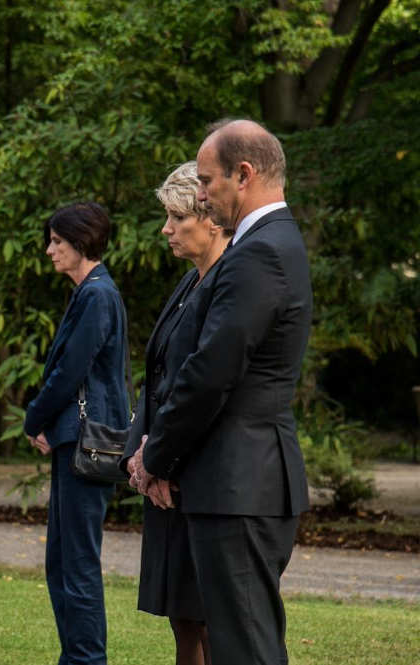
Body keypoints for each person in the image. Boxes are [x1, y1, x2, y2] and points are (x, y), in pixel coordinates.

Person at [130, 119, 312, 665]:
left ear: (245, 174)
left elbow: (211, 374)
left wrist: (156, 457)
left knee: (245, 649)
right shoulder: (270, 244)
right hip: (240, 481)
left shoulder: (258, 253)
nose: (203, 194)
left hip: (240, 484)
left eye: (208, 182)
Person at [121, 161, 227, 665]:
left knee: (206, 620)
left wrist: (162, 460)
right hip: (164, 476)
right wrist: (139, 454)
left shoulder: (224, 285)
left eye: (174, 217)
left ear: (209, 217)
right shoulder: (188, 284)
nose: (165, 229)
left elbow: (203, 390)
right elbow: (156, 378)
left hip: (194, 477)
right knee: (183, 618)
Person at [23, 202, 130, 665]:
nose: (50, 251)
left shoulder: (98, 295)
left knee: (78, 562)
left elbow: (70, 371)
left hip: (86, 444)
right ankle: (77, 657)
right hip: (76, 440)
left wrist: (35, 418)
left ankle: (86, 660)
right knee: (63, 561)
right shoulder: (91, 293)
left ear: (81, 243)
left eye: (57, 242)